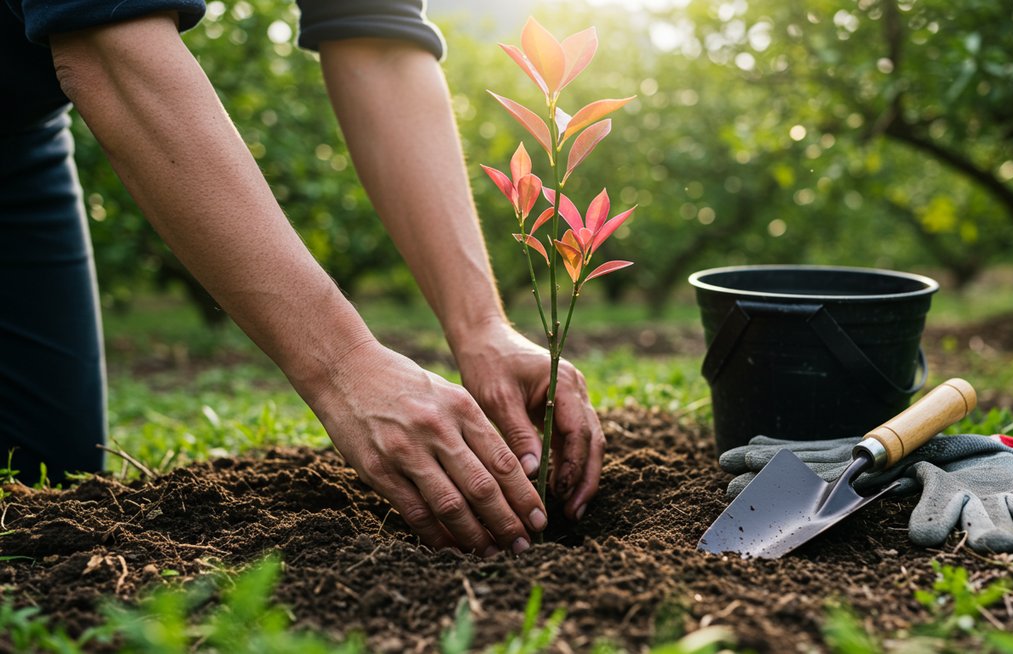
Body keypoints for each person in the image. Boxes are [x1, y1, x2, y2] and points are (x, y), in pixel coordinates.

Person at [0, 0, 605, 557]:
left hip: (21, 128)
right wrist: (345, 364)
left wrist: (482, 326)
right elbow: (108, 38)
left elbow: (376, 39)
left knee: (46, 489)